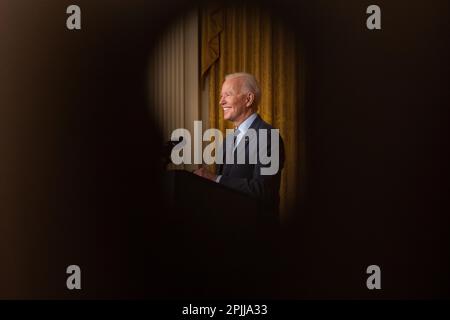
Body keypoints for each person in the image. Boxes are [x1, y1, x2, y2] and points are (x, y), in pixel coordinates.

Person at [194, 72, 285, 216]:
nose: (221, 102)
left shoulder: (269, 136)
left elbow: (263, 190)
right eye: (221, 96)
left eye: (227, 95)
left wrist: (214, 178)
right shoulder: (227, 141)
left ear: (248, 99)